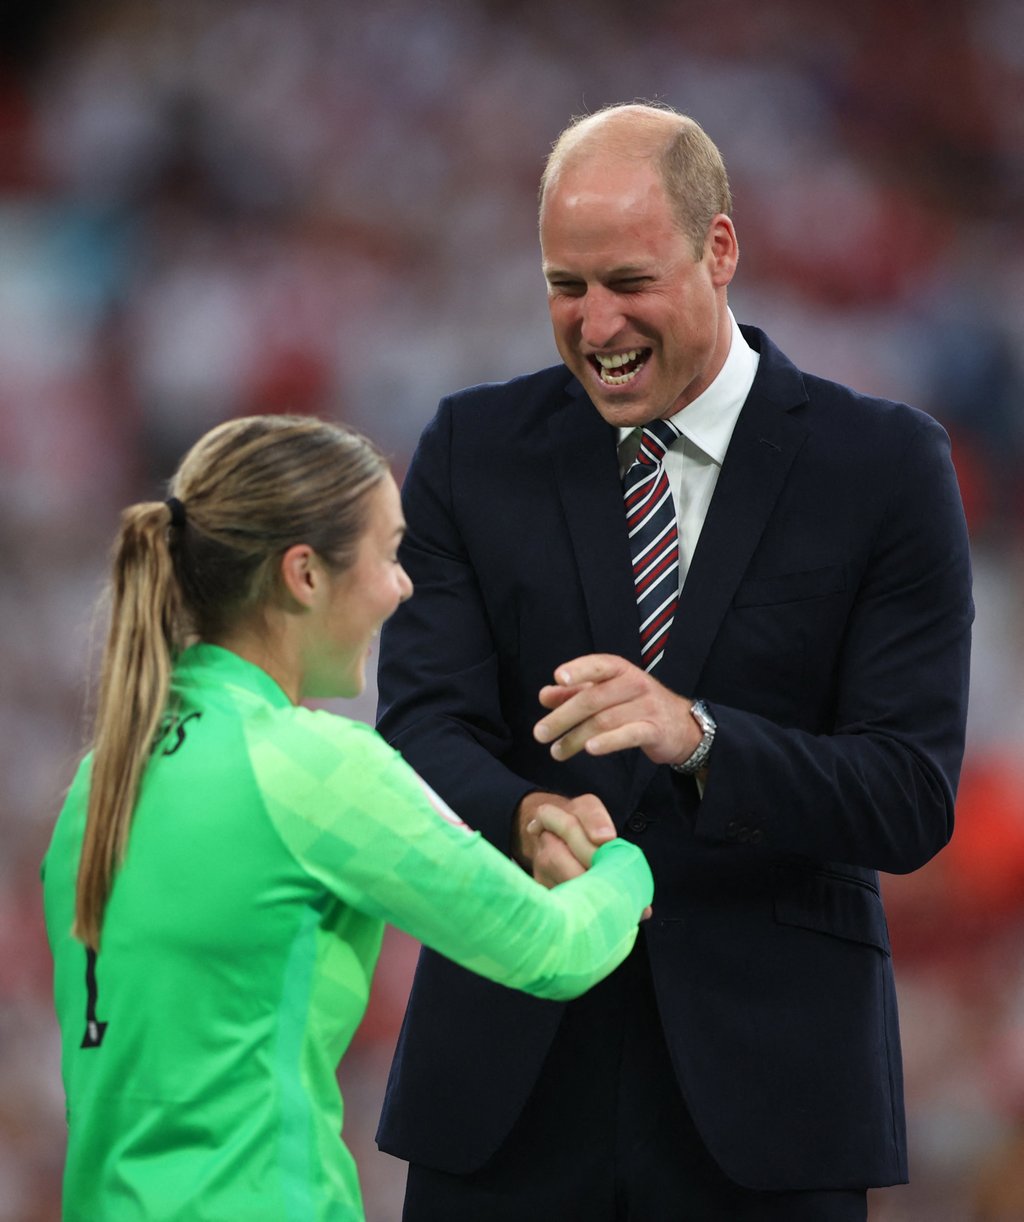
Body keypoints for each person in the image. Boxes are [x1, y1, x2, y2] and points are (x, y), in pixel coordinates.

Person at [374, 102, 974, 1220]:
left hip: (770, 1110)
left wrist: (700, 736)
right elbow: (419, 727)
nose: (595, 323)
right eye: (565, 284)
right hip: (506, 1087)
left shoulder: (883, 465)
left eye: (627, 281)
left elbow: (909, 792)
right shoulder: (471, 448)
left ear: (719, 248)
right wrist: (525, 816)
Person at [41, 414, 653, 1222]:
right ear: (304, 574)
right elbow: (553, 949)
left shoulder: (101, 778)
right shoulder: (311, 765)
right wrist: (629, 862)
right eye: (390, 553)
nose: (402, 586)